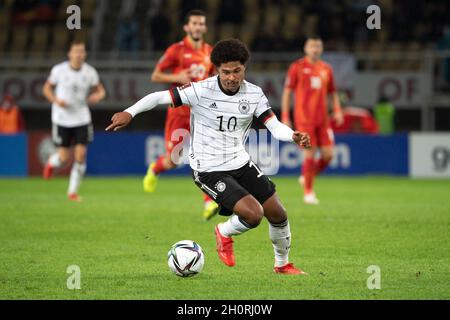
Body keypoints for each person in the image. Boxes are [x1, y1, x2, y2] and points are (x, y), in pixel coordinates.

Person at [106, 39, 311, 275]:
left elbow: (273, 126)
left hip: (240, 162)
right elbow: (158, 97)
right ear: (216, 70)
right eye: (226, 72)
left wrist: (292, 135)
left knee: (278, 213)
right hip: (208, 169)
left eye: (237, 71)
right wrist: (129, 112)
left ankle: (282, 265)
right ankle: (223, 232)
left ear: (245, 68)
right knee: (254, 214)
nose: (232, 77)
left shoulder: (254, 94)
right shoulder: (200, 90)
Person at [143, 9, 219, 220]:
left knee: (204, 158)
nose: (197, 27)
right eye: (194, 23)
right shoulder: (176, 50)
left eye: (201, 23)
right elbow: (156, 75)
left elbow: (214, 79)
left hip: (201, 114)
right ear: (187, 27)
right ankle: (156, 168)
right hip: (178, 113)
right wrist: (178, 75)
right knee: (174, 160)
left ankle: (208, 202)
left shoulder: (210, 52)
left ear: (204, 27)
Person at [281, 36, 343, 205]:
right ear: (305, 48)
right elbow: (287, 92)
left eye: (318, 46)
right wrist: (286, 116)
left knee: (328, 155)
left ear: (321, 49)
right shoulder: (297, 67)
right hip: (304, 119)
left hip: (323, 119)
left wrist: (337, 110)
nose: (315, 49)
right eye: (312, 46)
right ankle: (308, 192)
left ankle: (307, 176)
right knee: (309, 153)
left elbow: (332, 92)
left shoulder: (326, 69)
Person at [42, 40, 106, 202]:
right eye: (76, 51)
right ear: (70, 53)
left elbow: (101, 91)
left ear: (85, 54)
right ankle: (52, 162)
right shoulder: (59, 70)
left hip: (82, 117)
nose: (79, 54)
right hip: (62, 118)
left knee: (80, 155)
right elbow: (46, 88)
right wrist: (56, 101)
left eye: (82, 51)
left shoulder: (90, 72)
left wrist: (97, 96)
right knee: (63, 158)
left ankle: (72, 192)